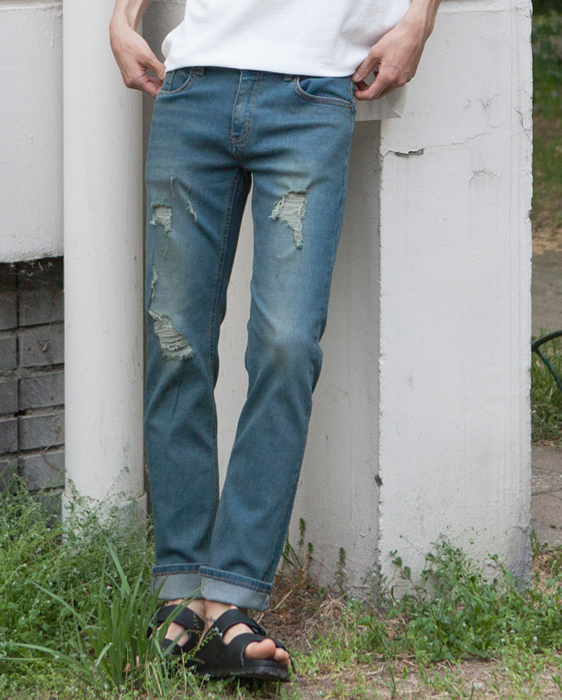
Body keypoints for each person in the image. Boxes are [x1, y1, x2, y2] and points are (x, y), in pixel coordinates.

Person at [110, 0, 441, 681]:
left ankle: (230, 595)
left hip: (312, 91)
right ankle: (182, 592)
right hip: (194, 86)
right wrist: (122, 18)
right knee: (176, 345)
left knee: (287, 346)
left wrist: (420, 20)